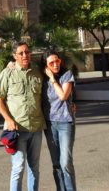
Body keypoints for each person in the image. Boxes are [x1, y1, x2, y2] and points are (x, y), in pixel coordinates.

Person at [0, 41, 46, 191]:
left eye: (27, 52)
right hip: (17, 129)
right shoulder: (8, 73)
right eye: (21, 53)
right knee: (18, 167)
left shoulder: (38, 72)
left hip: (36, 127)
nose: (25, 55)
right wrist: (8, 119)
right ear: (14, 56)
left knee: (34, 168)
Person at [43, 52, 75, 191]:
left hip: (65, 122)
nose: (55, 64)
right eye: (51, 63)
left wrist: (52, 79)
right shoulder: (42, 79)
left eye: (57, 61)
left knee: (65, 162)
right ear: (46, 65)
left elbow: (62, 96)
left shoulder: (67, 75)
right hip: (49, 123)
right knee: (56, 163)